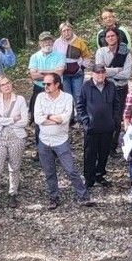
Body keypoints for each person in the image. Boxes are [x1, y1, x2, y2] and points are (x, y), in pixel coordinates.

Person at [34, 73, 91, 209]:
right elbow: (37, 119)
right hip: (44, 141)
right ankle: (53, 197)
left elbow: (64, 119)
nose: (45, 86)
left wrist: (46, 116)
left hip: (61, 141)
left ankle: (83, 196)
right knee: (49, 172)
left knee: (71, 170)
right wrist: (53, 118)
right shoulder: (40, 97)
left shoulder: (67, 98)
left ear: (57, 84)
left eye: (48, 84)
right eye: (44, 84)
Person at [0, 75, 28, 210]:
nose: (7, 86)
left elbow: (24, 121)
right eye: (3, 84)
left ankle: (13, 194)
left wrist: (6, 120)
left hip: (16, 137)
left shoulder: (20, 99)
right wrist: (12, 120)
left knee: (14, 167)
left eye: (8, 83)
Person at [76, 64, 119, 189]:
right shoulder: (85, 87)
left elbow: (116, 104)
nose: (100, 75)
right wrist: (85, 121)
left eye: (102, 72)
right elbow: (80, 106)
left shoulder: (111, 86)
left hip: (107, 126)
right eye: (97, 72)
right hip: (91, 127)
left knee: (104, 153)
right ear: (92, 74)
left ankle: (100, 174)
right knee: (90, 154)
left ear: (105, 73)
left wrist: (115, 120)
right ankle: (89, 178)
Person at [95, 26, 132, 149]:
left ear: (117, 37)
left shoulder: (125, 53)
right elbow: (99, 72)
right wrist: (116, 70)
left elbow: (126, 74)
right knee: (105, 116)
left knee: (117, 118)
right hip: (106, 89)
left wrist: (107, 72)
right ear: (105, 39)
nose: (110, 38)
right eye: (108, 36)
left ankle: (113, 145)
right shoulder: (101, 52)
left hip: (121, 89)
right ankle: (103, 143)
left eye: (113, 36)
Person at [27, 31, 65, 144]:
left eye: (49, 40)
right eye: (44, 41)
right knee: (39, 118)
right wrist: (52, 73)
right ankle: (40, 148)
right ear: (40, 43)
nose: (47, 43)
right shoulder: (34, 57)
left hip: (57, 90)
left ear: (53, 42)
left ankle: (57, 147)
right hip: (39, 90)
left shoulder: (60, 55)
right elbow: (33, 75)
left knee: (57, 117)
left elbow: (58, 74)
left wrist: (42, 73)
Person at [54, 20, 92, 102]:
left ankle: (79, 114)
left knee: (78, 96)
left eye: (68, 30)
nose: (66, 32)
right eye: (64, 31)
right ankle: (70, 114)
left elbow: (87, 56)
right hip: (63, 75)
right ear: (61, 32)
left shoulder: (79, 42)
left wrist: (81, 68)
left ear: (71, 30)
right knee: (67, 97)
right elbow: (54, 57)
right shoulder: (57, 43)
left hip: (77, 74)